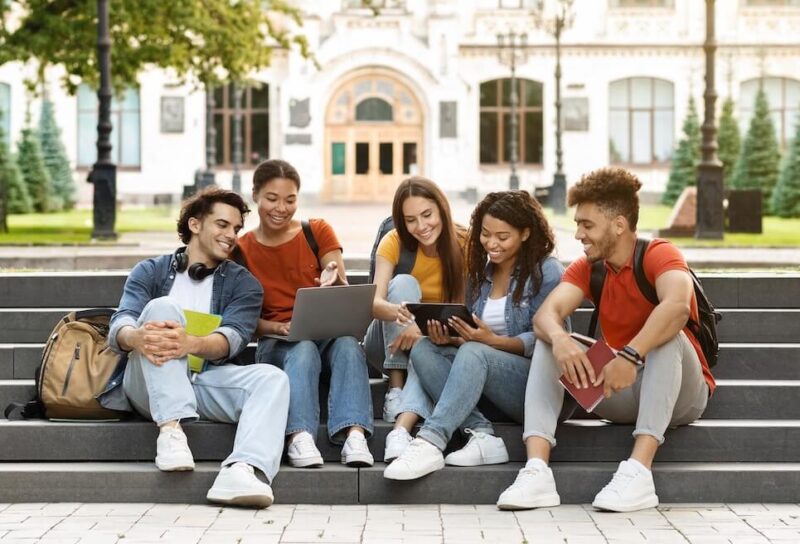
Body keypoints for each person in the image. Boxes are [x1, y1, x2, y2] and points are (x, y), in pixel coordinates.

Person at [497, 167, 715, 512]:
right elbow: (544, 316)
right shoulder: (589, 267)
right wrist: (562, 339)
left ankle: (639, 473)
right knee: (549, 341)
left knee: (667, 335)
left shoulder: (660, 253)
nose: (579, 234)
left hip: (681, 395)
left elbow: (676, 307)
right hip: (619, 389)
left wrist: (629, 356)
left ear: (619, 225)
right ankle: (537, 472)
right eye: (578, 224)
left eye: (587, 225)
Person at [105, 187, 289, 508]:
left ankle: (243, 469)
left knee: (273, 379)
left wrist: (190, 343)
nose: (231, 235)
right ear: (195, 225)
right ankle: (171, 431)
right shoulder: (151, 271)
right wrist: (137, 338)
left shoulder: (243, 283)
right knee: (163, 308)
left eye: (235, 229)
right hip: (146, 385)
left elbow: (231, 340)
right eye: (222, 225)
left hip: (202, 380)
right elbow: (120, 324)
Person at [384, 191, 564, 480]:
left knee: (474, 351)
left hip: (532, 389)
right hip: (482, 384)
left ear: (526, 233)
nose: (491, 244)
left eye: (502, 237)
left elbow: (548, 339)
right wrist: (453, 336)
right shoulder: (480, 272)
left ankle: (431, 439)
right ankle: (482, 434)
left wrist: (493, 342)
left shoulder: (547, 271)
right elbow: (473, 333)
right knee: (424, 349)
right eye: (485, 234)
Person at [238, 159, 374, 469]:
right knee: (301, 348)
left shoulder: (317, 230)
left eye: (290, 200)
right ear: (255, 195)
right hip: (278, 344)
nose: (281, 208)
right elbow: (243, 320)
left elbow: (343, 291)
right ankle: (299, 436)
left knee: (348, 345)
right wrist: (276, 326)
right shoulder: (241, 250)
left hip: (325, 337)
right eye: (272, 198)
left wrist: (334, 280)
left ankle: (354, 434)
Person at [363, 176, 465, 461]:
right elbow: (374, 302)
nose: (421, 227)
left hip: (436, 341)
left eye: (427, 215)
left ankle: (400, 433)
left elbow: (470, 311)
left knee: (426, 351)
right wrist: (405, 317)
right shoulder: (393, 240)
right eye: (410, 220)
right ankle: (395, 388)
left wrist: (420, 332)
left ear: (441, 209)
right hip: (385, 341)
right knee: (404, 283)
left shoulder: (464, 243)